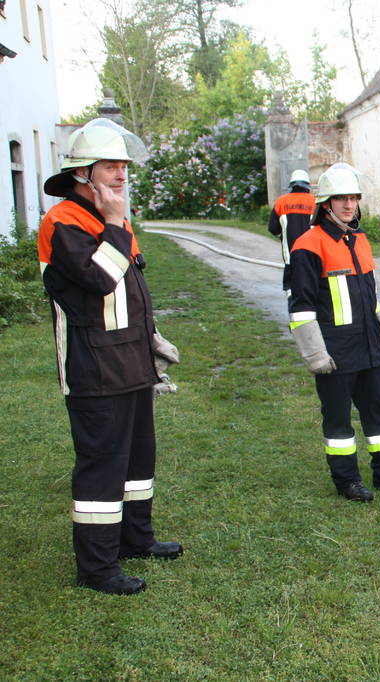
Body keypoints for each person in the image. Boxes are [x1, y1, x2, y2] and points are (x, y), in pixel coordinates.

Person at [38, 118, 182, 595]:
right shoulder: (63, 223)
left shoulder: (114, 218)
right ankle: (97, 569)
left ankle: (136, 539)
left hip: (131, 361)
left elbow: (131, 290)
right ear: (82, 173)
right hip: (94, 366)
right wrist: (117, 225)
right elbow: (99, 280)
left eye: (123, 166)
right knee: (103, 464)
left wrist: (152, 340)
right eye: (110, 166)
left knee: (140, 458)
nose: (121, 176)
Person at [288, 163, 380, 501]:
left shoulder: (359, 240)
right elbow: (301, 306)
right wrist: (314, 352)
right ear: (326, 204)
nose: (349, 205)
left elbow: (370, 296)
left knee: (378, 410)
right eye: (341, 199)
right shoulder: (308, 244)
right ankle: (347, 480)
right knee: (338, 421)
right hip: (334, 350)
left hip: (368, 345)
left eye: (354, 198)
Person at [267, 168, 315, 298]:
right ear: (307, 186)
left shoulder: (281, 202)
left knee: (292, 289)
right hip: (312, 255)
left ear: (292, 185)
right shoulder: (315, 202)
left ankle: (292, 303)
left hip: (290, 254)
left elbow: (272, 228)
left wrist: (283, 237)